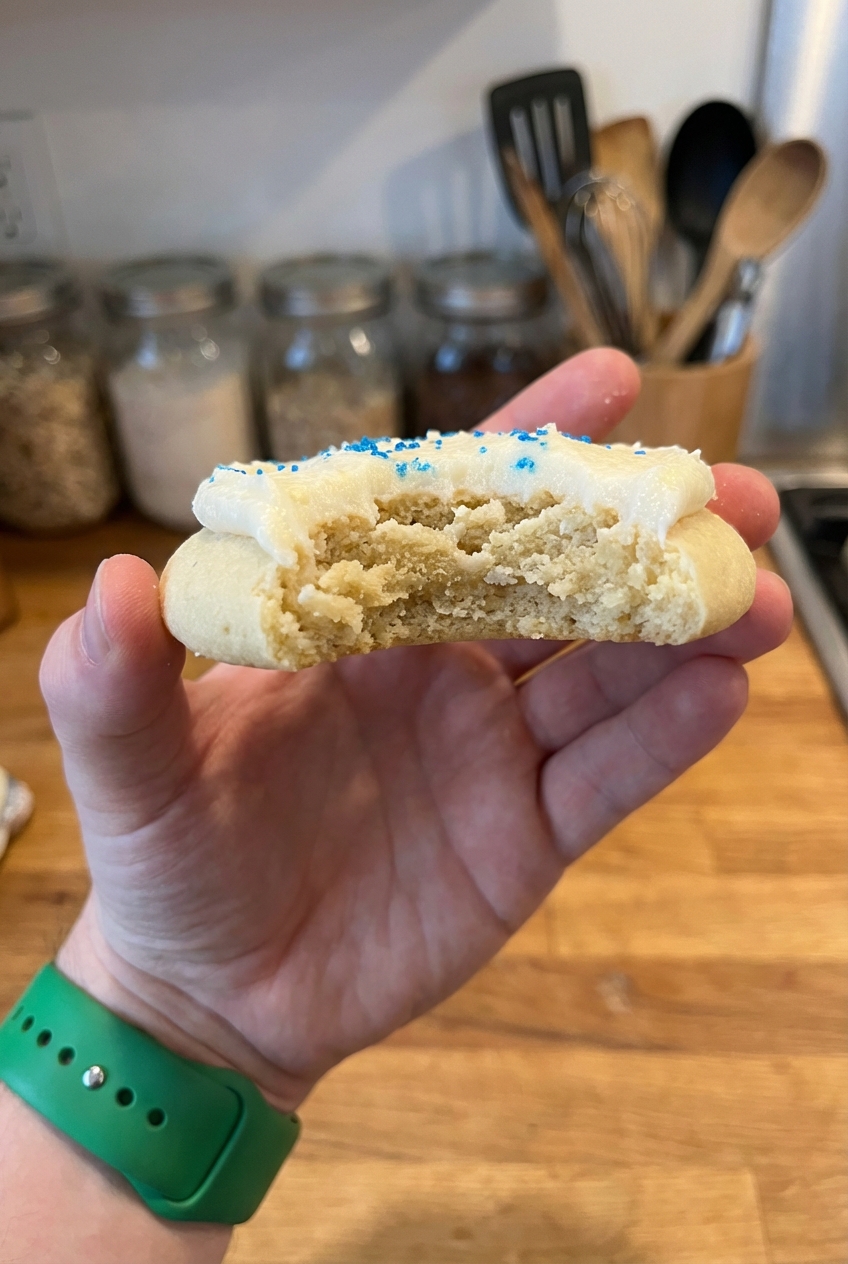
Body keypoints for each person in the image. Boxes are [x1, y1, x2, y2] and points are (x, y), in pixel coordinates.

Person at [0, 350, 792, 1262]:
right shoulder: (247, 533)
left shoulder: (664, 512)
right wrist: (167, 1004)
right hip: (263, 531)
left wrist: (168, 1013)